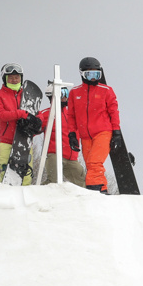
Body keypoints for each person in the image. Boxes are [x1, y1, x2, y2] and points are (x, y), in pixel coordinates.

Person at [66, 56, 121, 193]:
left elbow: (114, 112)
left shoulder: (106, 90)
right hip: (85, 136)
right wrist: (72, 134)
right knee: (91, 166)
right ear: (82, 74)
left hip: (103, 132)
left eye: (96, 74)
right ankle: (102, 189)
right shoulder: (75, 93)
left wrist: (116, 132)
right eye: (89, 74)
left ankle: (93, 190)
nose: (93, 78)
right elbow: (71, 116)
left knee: (94, 163)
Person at [0, 63, 42, 185]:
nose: (14, 80)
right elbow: (1, 115)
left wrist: (37, 121)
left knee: (26, 175)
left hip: (24, 141)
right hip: (6, 141)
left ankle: (24, 201)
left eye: (17, 77)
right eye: (11, 77)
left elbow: (37, 113)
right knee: (7, 173)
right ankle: (5, 201)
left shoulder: (27, 96)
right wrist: (21, 114)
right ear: (5, 79)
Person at [41, 81, 85, 187]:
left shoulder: (72, 114)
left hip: (71, 157)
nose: (65, 97)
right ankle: (37, 194)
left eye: (66, 94)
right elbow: (35, 128)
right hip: (55, 155)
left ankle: (84, 202)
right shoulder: (46, 114)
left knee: (82, 182)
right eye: (62, 94)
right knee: (53, 182)